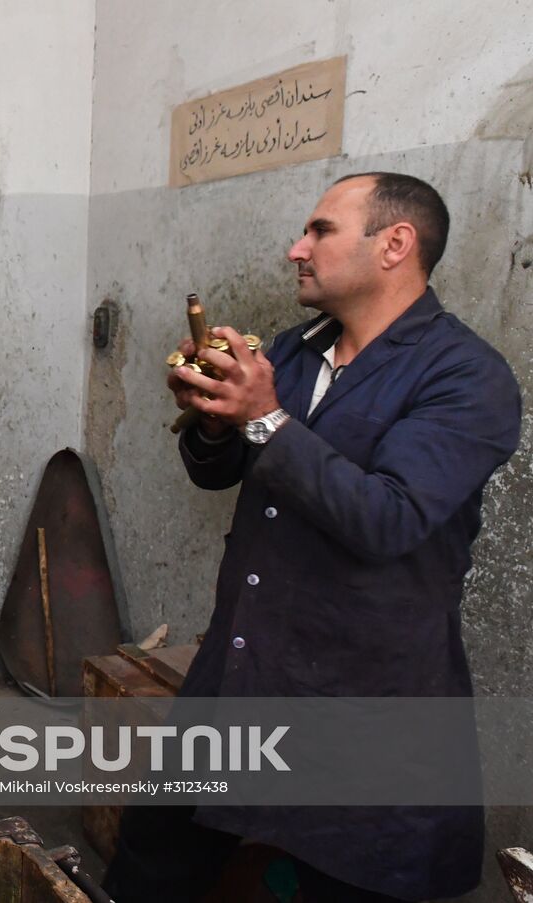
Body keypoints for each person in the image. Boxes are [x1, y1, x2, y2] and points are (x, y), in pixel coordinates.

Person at [105, 173, 522, 902]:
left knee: (339, 875)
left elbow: (388, 518)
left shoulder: (468, 377)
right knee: (152, 863)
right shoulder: (299, 352)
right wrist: (215, 416)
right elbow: (222, 473)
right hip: (241, 670)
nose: (296, 248)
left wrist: (264, 416)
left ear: (396, 244)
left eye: (320, 230)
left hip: (360, 699)